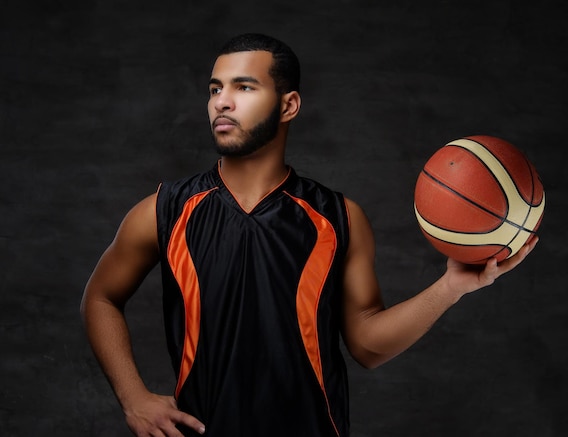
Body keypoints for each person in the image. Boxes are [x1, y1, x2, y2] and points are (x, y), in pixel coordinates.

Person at [80, 33, 538, 437]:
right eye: (215, 88)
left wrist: (450, 288)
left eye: (244, 86)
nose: (222, 101)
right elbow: (100, 298)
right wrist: (133, 397)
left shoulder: (338, 218)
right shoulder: (165, 209)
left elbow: (368, 346)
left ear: (289, 105)